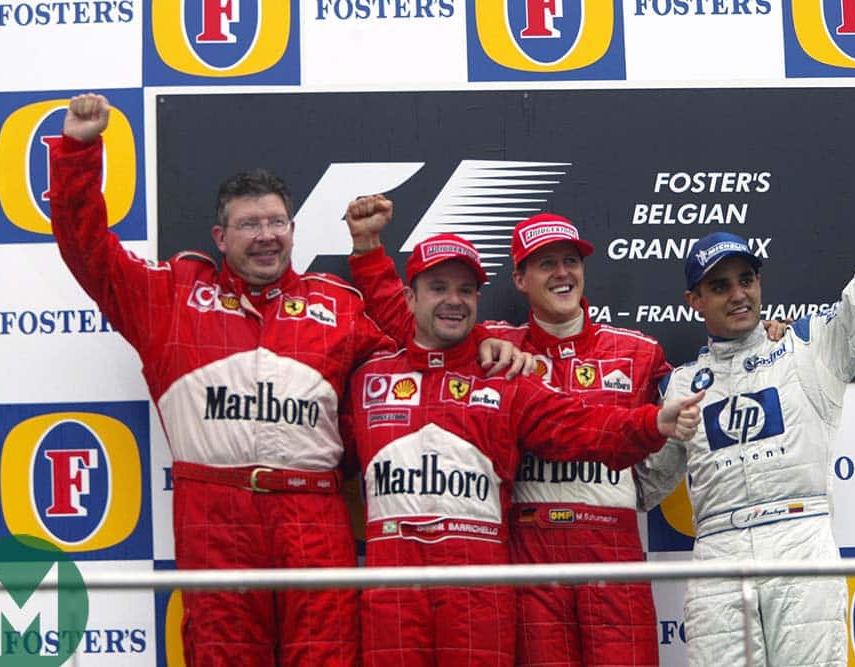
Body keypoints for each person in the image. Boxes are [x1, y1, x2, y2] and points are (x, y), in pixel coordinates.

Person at [48, 93, 526, 666]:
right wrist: (78, 151)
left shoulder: (337, 304)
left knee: (325, 655)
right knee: (222, 655)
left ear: (294, 231)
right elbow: (88, 252)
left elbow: (416, 344)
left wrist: (487, 339)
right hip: (213, 511)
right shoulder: (171, 295)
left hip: (312, 512)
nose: (266, 235)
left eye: (277, 222)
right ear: (220, 238)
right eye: (250, 224)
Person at [635, 107, 855, 666]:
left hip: (801, 543)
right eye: (719, 286)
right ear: (694, 302)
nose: (738, 293)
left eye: (746, 279)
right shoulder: (679, 385)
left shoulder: (806, 347)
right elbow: (642, 486)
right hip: (718, 555)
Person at [341, 232, 704, 666]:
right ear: (410, 297)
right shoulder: (377, 377)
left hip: (500, 574)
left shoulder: (507, 372)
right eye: (438, 288)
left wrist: (651, 421)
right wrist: (367, 253)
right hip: (427, 573)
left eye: (466, 290)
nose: (453, 300)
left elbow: (578, 425)